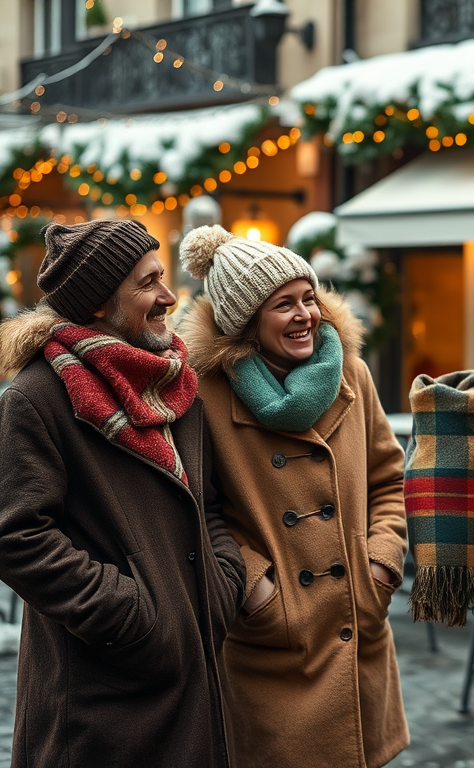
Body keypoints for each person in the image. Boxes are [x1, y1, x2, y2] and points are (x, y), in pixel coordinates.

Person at [0, 219, 245, 768]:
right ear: (96, 306)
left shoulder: (176, 382)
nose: (167, 296)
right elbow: (16, 536)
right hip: (101, 704)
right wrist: (133, 617)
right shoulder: (37, 396)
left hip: (193, 677)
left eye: (163, 277)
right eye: (147, 284)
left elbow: (205, 505)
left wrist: (222, 583)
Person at [177, 225, 409, 768]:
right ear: (246, 324)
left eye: (309, 297)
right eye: (284, 304)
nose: (306, 314)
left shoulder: (352, 372)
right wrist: (255, 588)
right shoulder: (203, 394)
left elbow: (388, 479)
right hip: (272, 641)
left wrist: (380, 565)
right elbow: (197, 509)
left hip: (355, 623)